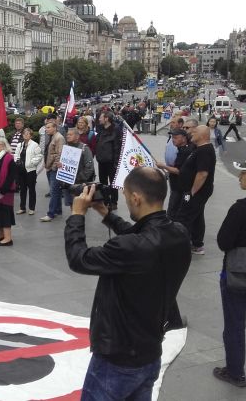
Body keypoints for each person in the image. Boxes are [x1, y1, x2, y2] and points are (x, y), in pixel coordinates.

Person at [65, 167, 191, 400]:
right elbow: (139, 233)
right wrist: (105, 213)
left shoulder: (132, 248)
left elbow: (78, 259)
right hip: (150, 350)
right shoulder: (179, 234)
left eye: (126, 197)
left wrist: (77, 216)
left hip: (118, 357)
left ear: (136, 198)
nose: (126, 202)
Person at [214, 167, 246, 388]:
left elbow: (224, 241)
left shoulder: (240, 209)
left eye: (243, 173)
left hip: (238, 273)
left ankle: (235, 372)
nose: (240, 177)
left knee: (234, 324)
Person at [174, 125, 215, 255]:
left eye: (195, 131)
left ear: (202, 135)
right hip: (196, 191)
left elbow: (202, 173)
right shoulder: (199, 149)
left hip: (197, 192)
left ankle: (178, 247)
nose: (191, 133)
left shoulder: (204, 150)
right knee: (197, 217)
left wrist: (191, 192)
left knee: (183, 217)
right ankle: (197, 244)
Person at [156, 128, 192, 218]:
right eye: (172, 137)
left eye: (176, 137)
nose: (173, 139)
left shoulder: (184, 152)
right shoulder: (185, 148)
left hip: (180, 188)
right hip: (179, 186)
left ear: (184, 138)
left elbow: (178, 171)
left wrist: (163, 166)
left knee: (172, 212)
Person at [60, 128, 94, 209]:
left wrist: (79, 179)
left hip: (79, 184)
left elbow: (89, 168)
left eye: (70, 135)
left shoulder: (84, 148)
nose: (67, 136)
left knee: (80, 207)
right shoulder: (66, 148)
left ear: (77, 136)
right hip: (67, 182)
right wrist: (60, 166)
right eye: (67, 134)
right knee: (72, 205)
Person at [95, 111, 121, 210]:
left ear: (106, 119)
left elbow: (117, 148)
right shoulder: (100, 129)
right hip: (101, 161)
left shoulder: (116, 129)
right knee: (103, 182)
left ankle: (114, 202)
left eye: (101, 117)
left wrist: (116, 163)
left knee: (113, 183)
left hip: (111, 162)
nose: (99, 119)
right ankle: (105, 201)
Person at [14, 128, 42, 215]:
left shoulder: (35, 145)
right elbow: (16, 154)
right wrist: (17, 160)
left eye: (28, 134)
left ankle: (32, 208)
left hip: (30, 170)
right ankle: (22, 208)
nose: (25, 135)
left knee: (31, 189)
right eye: (24, 133)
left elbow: (39, 156)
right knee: (22, 190)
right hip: (21, 170)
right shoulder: (20, 145)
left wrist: (32, 163)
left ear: (31, 135)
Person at [40, 122, 65, 222]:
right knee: (56, 190)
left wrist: (54, 167)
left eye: (49, 127)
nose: (46, 129)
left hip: (54, 168)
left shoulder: (59, 138)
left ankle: (51, 213)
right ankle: (58, 210)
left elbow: (60, 154)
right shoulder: (52, 137)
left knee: (54, 191)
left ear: (55, 128)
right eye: (46, 127)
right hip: (49, 167)